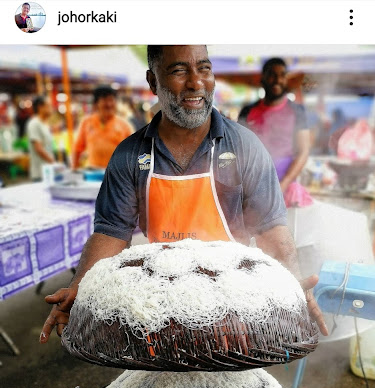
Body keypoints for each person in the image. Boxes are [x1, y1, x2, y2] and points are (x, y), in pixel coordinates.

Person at [41, 45, 327, 343]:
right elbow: (112, 231)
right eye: (179, 70)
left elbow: (270, 228)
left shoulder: (244, 146)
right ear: (153, 82)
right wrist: (79, 285)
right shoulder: (131, 154)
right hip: (162, 302)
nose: (196, 82)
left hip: (234, 302)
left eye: (204, 68)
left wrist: (292, 282)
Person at [238, 58, 310, 206]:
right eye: (271, 74)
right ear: (262, 78)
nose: (277, 79)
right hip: (252, 188)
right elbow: (240, 151)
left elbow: (303, 151)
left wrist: (283, 184)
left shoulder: (297, 111)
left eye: (282, 75)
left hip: (285, 189)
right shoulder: (248, 111)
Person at [71, 86, 133, 170]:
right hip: (94, 174)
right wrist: (74, 169)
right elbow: (77, 149)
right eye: (105, 100)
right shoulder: (87, 122)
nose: (109, 104)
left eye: (111, 100)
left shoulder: (124, 125)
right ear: (96, 104)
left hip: (117, 174)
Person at [26, 95, 54, 181]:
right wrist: (53, 162)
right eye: (48, 106)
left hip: (47, 171)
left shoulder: (44, 124)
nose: (51, 109)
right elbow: (38, 148)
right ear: (40, 107)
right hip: (40, 173)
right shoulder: (34, 124)